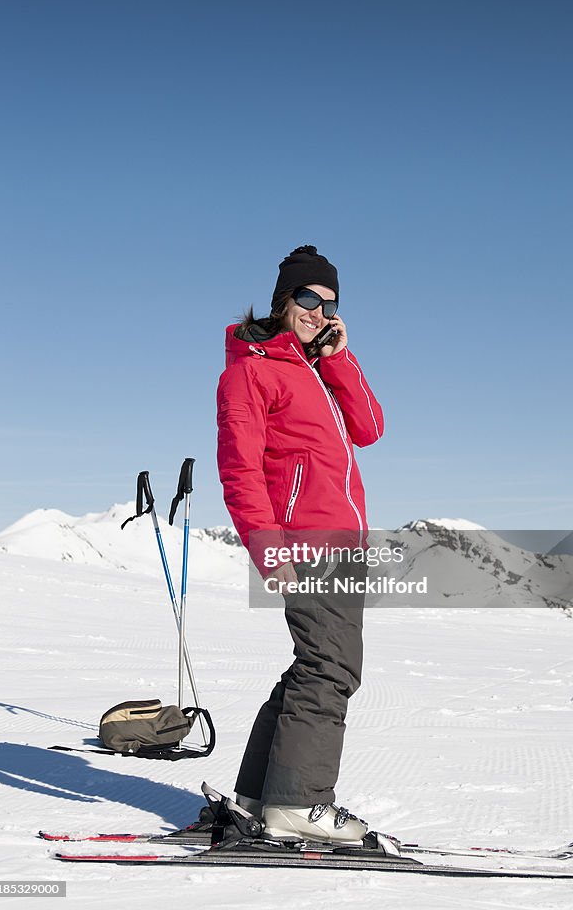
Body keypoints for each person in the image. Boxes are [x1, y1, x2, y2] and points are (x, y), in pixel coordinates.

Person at [216, 244, 384, 844]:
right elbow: (240, 470)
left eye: (331, 304)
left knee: (312, 666)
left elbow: (370, 428)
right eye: (310, 299)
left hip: (343, 539)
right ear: (284, 299)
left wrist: (340, 359)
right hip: (306, 541)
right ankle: (298, 805)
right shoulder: (251, 370)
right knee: (330, 668)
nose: (319, 312)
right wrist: (269, 550)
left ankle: (259, 798)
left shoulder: (315, 369)